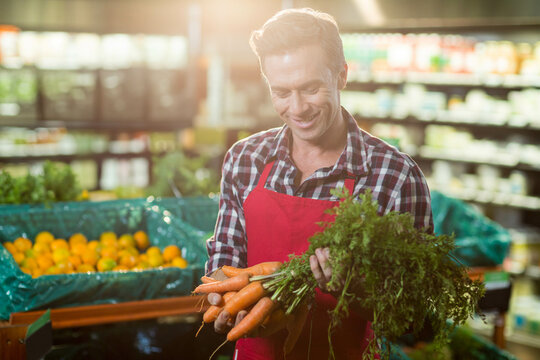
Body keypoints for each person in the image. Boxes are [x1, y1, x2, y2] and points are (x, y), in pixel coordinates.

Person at [205, 7, 433, 360]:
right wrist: (222, 300)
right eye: (281, 92)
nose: (297, 108)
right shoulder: (244, 160)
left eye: (310, 88)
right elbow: (224, 261)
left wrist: (354, 289)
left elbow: (416, 316)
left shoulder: (395, 176)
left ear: (341, 76)